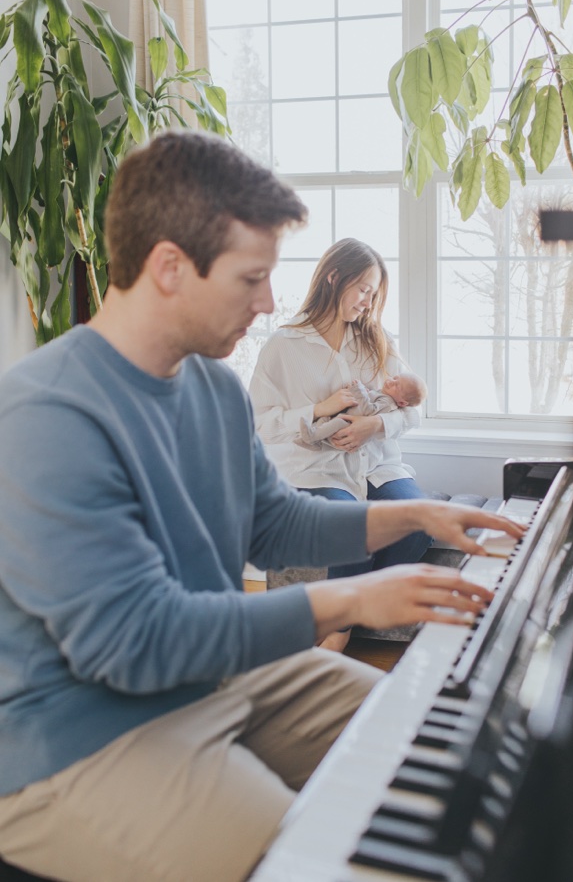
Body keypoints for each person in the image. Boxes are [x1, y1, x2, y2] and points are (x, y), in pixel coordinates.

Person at [0, 130, 520, 882]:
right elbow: (135, 638)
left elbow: (275, 521)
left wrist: (417, 516)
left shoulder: (212, 388)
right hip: (79, 736)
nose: (271, 301)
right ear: (169, 267)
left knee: (434, 741)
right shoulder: (45, 415)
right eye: (252, 278)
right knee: (314, 862)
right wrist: (354, 596)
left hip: (216, 673)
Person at [250, 239, 434, 652]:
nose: (369, 303)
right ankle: (340, 634)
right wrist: (320, 409)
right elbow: (261, 423)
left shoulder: (376, 340)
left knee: (419, 524)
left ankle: (340, 620)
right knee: (354, 528)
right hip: (315, 468)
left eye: (374, 294)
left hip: (376, 466)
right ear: (334, 277)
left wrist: (375, 425)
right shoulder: (284, 345)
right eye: (364, 290)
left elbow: (414, 409)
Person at [296, 372, 426, 450]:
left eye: (397, 386)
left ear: (402, 402)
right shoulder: (382, 394)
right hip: (346, 416)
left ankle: (312, 437)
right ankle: (315, 440)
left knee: (338, 422)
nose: (391, 381)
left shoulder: (388, 403)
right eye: (395, 378)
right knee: (326, 419)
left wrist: (359, 390)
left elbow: (369, 410)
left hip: (348, 425)